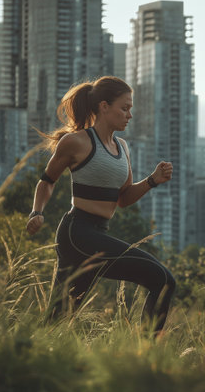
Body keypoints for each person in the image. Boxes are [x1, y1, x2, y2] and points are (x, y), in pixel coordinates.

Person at [26, 76, 176, 334]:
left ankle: (23, 360)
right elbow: (46, 181)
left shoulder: (123, 148)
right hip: (77, 232)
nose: (129, 115)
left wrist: (152, 180)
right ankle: (148, 356)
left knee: (59, 318)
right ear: (104, 107)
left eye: (131, 109)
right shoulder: (76, 142)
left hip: (97, 233)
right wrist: (37, 211)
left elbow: (123, 198)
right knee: (162, 279)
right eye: (124, 108)